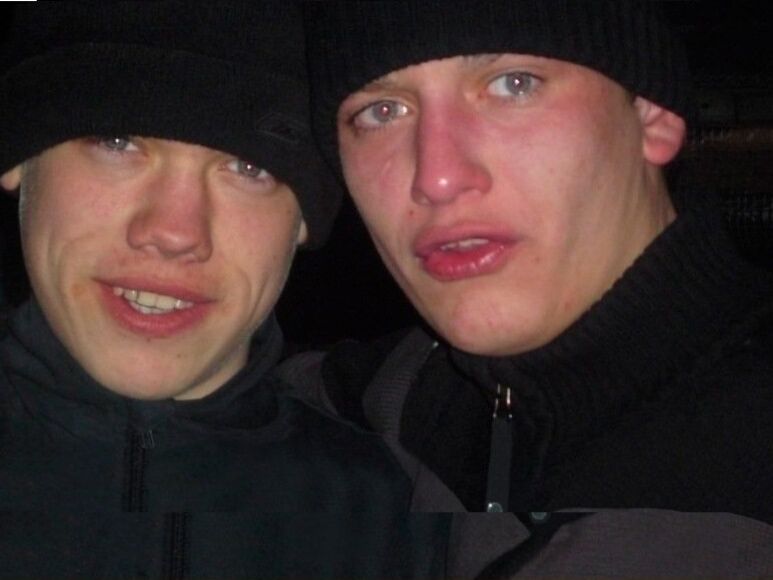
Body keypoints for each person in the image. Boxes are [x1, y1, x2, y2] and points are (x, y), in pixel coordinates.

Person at [290, 0, 773, 576]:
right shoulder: (386, 401)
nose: (437, 176)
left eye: (513, 84)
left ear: (651, 116)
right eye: (381, 112)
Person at [0, 2, 452, 578]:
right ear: (21, 157)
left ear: (305, 220)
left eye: (249, 169)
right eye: (117, 141)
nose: (174, 232)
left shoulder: (391, 515)